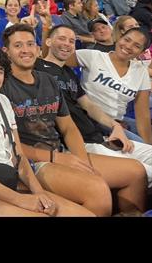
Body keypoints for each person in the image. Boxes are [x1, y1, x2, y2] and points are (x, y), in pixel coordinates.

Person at [0, 45, 93, 217]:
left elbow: (19, 156)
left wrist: (39, 193)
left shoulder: (2, 101)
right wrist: (20, 200)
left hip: (10, 180)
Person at [1, 24, 112, 216]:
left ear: (37, 49)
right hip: (30, 162)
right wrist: (55, 158)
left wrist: (82, 162)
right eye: (18, 46)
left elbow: (68, 127)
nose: (26, 50)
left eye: (30, 44)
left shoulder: (48, 80)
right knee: (98, 189)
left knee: (136, 173)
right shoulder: (1, 86)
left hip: (60, 152)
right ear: (7, 52)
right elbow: (10, 145)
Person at [37, 25, 148, 213]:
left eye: (72, 41)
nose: (67, 44)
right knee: (141, 171)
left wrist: (114, 126)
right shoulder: (37, 68)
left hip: (100, 133)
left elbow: (88, 105)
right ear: (48, 41)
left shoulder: (69, 74)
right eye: (61, 38)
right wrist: (44, 26)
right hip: (81, 141)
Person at [73, 27, 152, 161]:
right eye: (127, 40)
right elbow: (53, 59)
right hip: (89, 120)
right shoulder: (94, 56)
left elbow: (143, 117)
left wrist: (147, 146)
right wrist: (46, 29)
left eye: (136, 46)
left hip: (116, 125)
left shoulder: (141, 71)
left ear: (142, 52)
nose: (128, 46)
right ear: (119, 38)